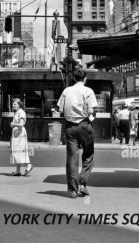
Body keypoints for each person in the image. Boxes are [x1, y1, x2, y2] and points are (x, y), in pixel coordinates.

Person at [57, 69, 98, 199]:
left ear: (74, 79)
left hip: (70, 126)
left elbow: (59, 108)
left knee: (72, 159)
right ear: (84, 79)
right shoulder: (88, 91)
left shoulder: (66, 91)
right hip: (85, 125)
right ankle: (82, 183)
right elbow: (92, 110)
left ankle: (73, 190)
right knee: (88, 155)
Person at [9, 99, 33, 177]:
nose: (13, 105)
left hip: (20, 134)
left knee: (19, 151)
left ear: (19, 105)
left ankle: (28, 165)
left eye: (15, 104)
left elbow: (21, 124)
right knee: (17, 151)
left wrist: (13, 124)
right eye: (13, 104)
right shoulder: (17, 112)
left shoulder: (21, 112)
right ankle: (18, 170)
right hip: (17, 134)